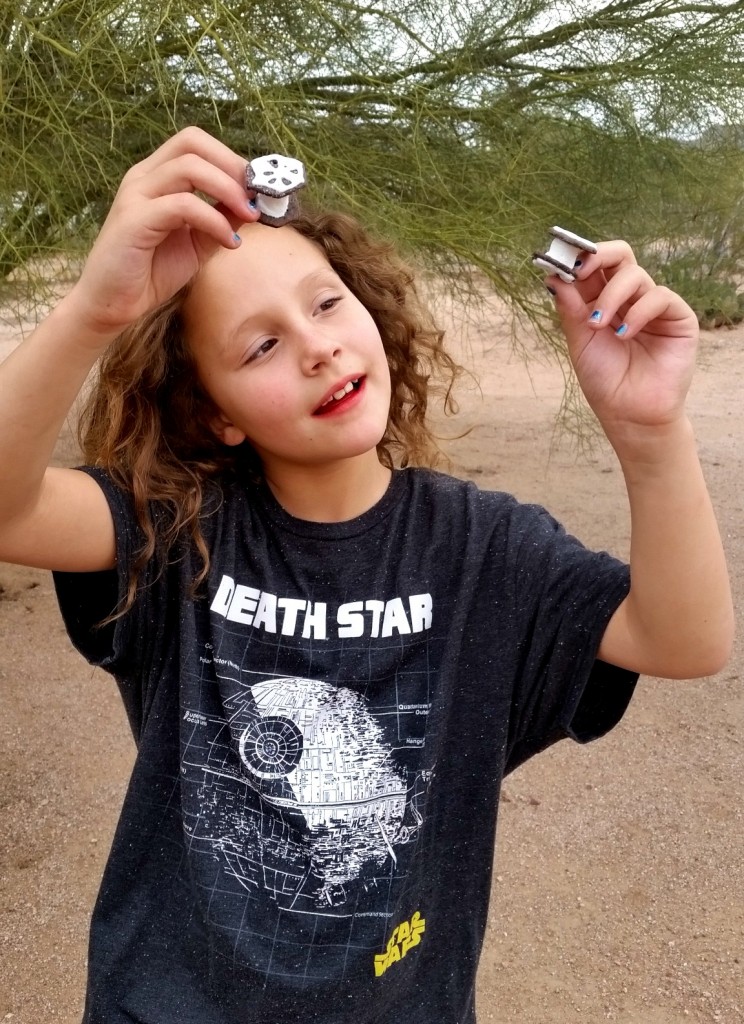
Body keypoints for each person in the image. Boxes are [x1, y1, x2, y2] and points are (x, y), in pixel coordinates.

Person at [0, 127, 733, 1024]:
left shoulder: (485, 550)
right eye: (259, 348)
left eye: (326, 304)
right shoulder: (176, 531)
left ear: (370, 310)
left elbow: (684, 639)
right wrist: (92, 312)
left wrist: (652, 434)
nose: (315, 347)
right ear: (214, 412)